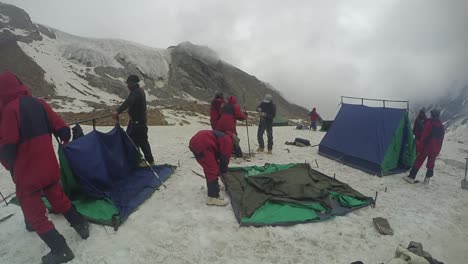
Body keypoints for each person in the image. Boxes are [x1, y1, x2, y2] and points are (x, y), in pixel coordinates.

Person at [0, 71, 89, 264]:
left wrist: (9, 165)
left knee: (35, 214)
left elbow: (7, 148)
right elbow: (63, 130)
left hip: (27, 173)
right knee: (58, 198)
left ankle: (61, 250)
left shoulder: (8, 110)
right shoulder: (39, 103)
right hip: (49, 166)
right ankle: (81, 225)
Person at [113, 75, 154, 167]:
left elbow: (128, 102)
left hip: (138, 124)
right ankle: (143, 160)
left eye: (129, 83)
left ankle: (148, 161)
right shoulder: (139, 91)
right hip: (136, 123)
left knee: (141, 142)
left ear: (134, 83)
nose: (127, 85)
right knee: (135, 141)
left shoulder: (136, 92)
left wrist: (117, 111)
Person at [189, 130, 233, 206]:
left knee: (210, 166)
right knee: (211, 169)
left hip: (196, 142)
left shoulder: (224, 136)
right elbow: (225, 159)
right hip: (202, 143)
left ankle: (213, 187)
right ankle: (213, 197)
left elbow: (217, 156)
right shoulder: (228, 141)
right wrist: (224, 172)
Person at [404, 109, 445, 184]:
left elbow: (424, 137)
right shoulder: (441, 126)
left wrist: (420, 147)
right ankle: (427, 180)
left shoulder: (429, 124)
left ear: (431, 114)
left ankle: (411, 177)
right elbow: (441, 139)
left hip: (426, 147)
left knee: (419, 161)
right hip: (435, 148)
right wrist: (438, 149)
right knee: (431, 163)